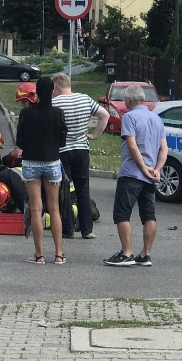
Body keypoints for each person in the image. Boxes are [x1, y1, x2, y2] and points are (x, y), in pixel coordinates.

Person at [104, 84, 168, 267]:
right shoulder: (156, 119)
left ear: (130, 100)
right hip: (151, 177)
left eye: (125, 99)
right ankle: (145, 254)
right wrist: (156, 169)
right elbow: (164, 148)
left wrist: (143, 167)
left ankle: (127, 253)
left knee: (122, 213)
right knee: (149, 215)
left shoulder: (129, 117)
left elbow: (132, 146)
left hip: (132, 173)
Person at [16, 76, 68, 265]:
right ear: (53, 90)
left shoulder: (26, 114)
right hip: (52, 162)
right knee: (54, 209)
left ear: (36, 92)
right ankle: (59, 254)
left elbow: (19, 141)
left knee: (36, 209)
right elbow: (62, 140)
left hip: (30, 163)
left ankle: (39, 255)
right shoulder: (58, 113)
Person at [51, 73, 109, 240]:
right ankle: (87, 229)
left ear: (56, 87)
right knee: (83, 189)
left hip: (63, 151)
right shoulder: (85, 99)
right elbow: (104, 115)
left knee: (65, 190)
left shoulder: (55, 103)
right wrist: (94, 135)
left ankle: (68, 229)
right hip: (82, 150)